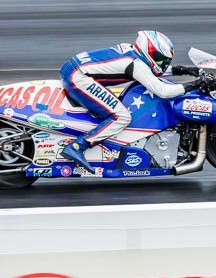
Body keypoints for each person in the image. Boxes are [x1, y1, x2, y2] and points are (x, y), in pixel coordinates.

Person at [59, 30, 206, 172]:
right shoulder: (137, 64)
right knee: (121, 116)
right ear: (149, 50)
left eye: (165, 60)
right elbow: (163, 91)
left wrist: (183, 70)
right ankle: (78, 146)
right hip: (79, 78)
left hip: (74, 69)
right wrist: (194, 84)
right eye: (159, 58)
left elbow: (149, 72)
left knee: (112, 108)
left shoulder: (133, 53)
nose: (162, 63)